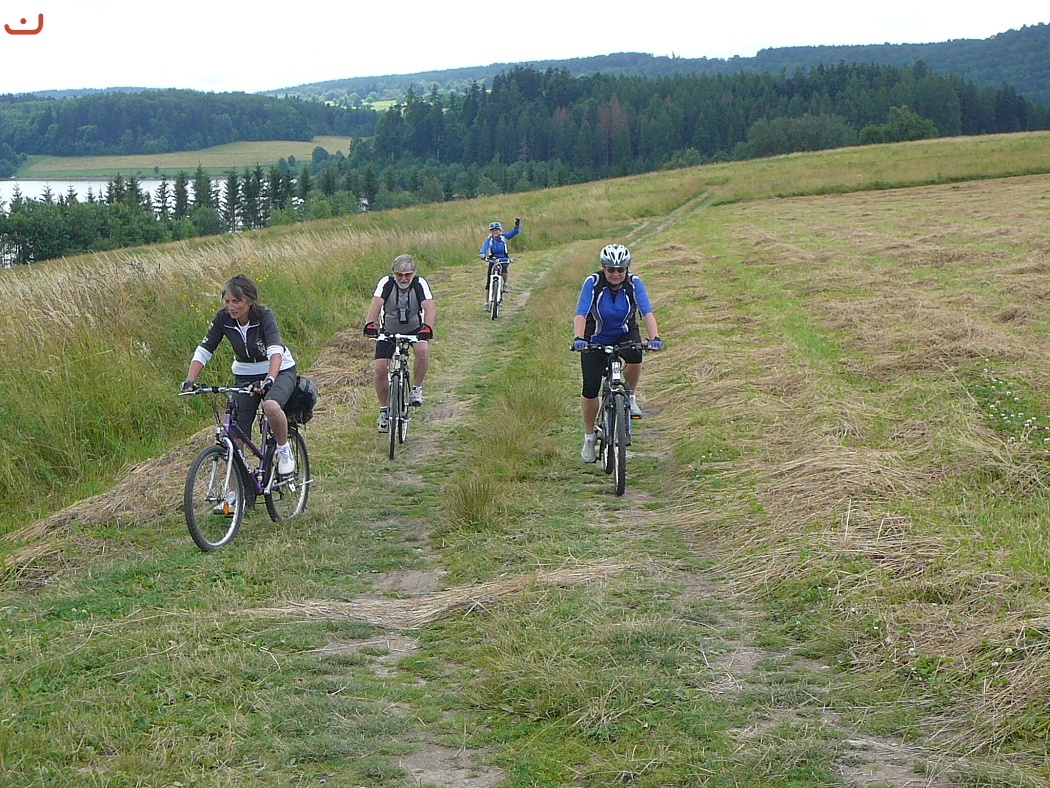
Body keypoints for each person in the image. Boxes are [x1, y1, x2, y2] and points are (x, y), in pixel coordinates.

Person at [181, 273, 299, 475]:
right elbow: (205, 350)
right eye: (227, 302)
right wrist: (190, 380)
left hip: (279, 370)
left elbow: (275, 351)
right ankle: (235, 489)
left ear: (250, 301)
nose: (231, 307)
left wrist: (269, 379)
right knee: (235, 436)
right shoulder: (223, 319)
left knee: (271, 406)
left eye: (236, 301)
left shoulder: (264, 316)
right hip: (245, 376)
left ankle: (283, 450)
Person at [572, 243, 662, 463]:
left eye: (620, 269)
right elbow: (581, 313)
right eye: (611, 269)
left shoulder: (634, 284)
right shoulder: (593, 283)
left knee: (636, 354)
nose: (615, 274)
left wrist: (655, 338)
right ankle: (590, 437)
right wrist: (579, 339)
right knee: (590, 387)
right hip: (595, 337)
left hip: (624, 332)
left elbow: (646, 312)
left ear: (626, 269)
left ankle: (629, 396)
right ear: (603, 268)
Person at [363, 254, 436, 432]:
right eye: (399, 275)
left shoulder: (420, 283)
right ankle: (384, 411)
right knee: (380, 369)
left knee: (422, 351)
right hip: (388, 329)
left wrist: (427, 327)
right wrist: (370, 324)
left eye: (408, 275)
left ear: (414, 273)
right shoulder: (386, 283)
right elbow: (376, 303)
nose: (403, 278)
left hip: (415, 328)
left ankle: (416, 389)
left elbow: (429, 306)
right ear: (393, 273)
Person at [478, 217, 520, 306]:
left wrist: (517, 225)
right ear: (491, 231)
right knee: (489, 282)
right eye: (493, 230)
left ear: (500, 230)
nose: (495, 232)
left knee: (504, 269)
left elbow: (514, 232)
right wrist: (482, 254)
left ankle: (505, 284)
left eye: (497, 230)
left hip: (503, 258)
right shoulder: (489, 239)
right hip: (492, 260)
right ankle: (486, 303)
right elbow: (484, 246)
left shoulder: (503, 237)